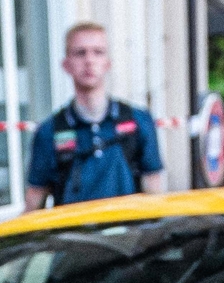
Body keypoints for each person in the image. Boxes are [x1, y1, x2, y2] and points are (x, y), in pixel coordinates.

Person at [24, 23, 167, 209]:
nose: (89, 61)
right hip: (74, 236)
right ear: (66, 65)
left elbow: (154, 195)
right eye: (80, 53)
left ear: (108, 63)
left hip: (128, 234)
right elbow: (34, 203)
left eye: (98, 52)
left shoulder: (138, 121)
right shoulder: (49, 132)